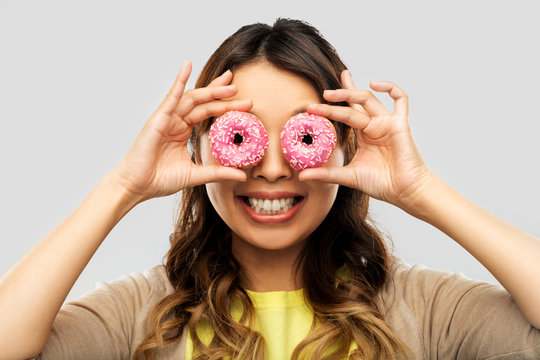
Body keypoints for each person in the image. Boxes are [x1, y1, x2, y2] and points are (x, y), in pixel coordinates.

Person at [1, 18, 539, 360]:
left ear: (344, 149)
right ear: (199, 149)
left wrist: (419, 188)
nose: (275, 170)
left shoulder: (421, 308)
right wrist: (123, 185)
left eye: (303, 135)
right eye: (244, 137)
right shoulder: (147, 313)